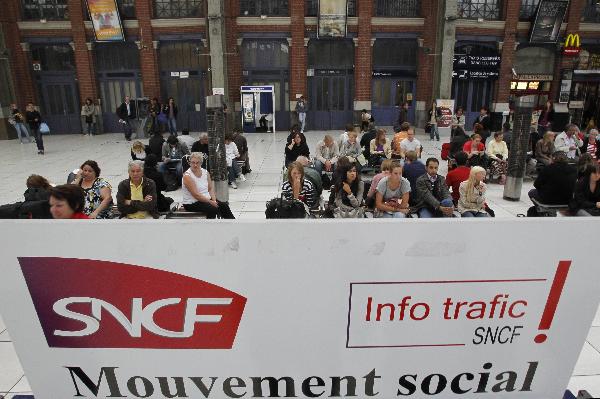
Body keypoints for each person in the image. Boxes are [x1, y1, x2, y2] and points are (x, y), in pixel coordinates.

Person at [181, 152, 235, 219]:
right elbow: (196, 195)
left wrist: (214, 200)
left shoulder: (205, 172)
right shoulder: (187, 176)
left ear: (201, 163)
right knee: (212, 209)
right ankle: (209, 226)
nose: (195, 165)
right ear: (189, 163)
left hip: (205, 200)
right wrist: (210, 202)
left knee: (224, 205)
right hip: (192, 203)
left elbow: (210, 189)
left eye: (197, 163)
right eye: (193, 162)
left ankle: (232, 223)